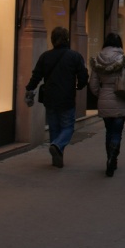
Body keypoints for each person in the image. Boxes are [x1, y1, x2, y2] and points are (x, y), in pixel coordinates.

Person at [25, 27, 88, 169]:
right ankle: (57, 145)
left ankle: (57, 157)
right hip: (66, 97)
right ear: (66, 39)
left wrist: (30, 88)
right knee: (68, 127)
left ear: (52, 40)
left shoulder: (45, 56)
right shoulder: (75, 56)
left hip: (50, 97)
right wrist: (80, 85)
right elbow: (83, 75)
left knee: (54, 127)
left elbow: (36, 76)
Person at [89, 33, 125, 177]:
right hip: (120, 98)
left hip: (104, 99)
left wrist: (100, 94)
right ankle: (113, 156)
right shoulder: (124, 59)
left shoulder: (97, 60)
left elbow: (93, 84)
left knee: (109, 131)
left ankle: (109, 158)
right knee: (117, 132)